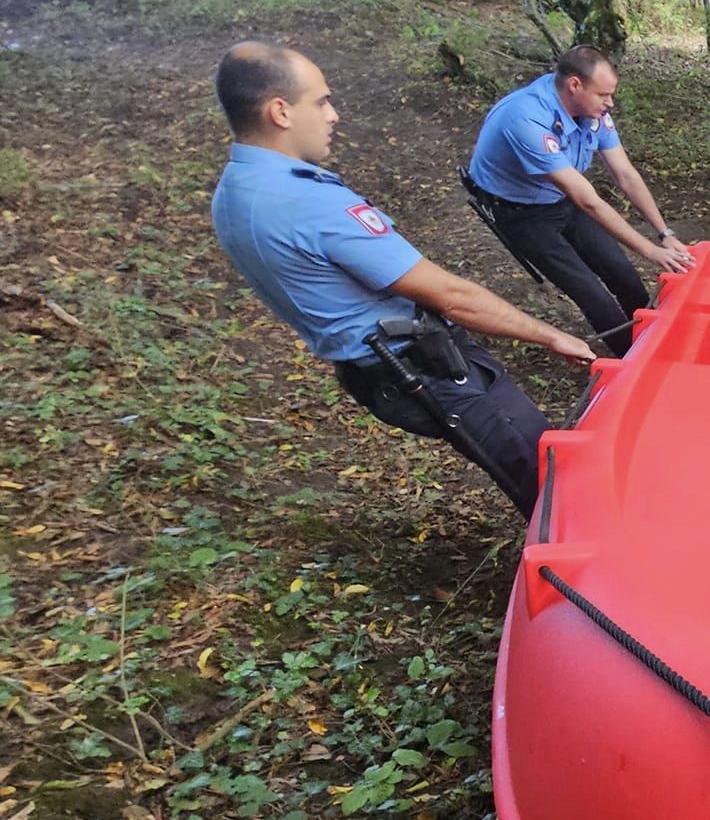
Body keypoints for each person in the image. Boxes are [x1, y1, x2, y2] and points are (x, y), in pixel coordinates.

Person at [211, 42, 595, 517]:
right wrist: (552, 336)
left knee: (527, 470)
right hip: (418, 365)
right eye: (322, 101)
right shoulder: (305, 202)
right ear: (280, 112)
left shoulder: (234, 190)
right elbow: (450, 295)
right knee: (550, 478)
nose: (333, 115)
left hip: (379, 371)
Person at [467, 45, 691, 356]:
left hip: (560, 199)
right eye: (603, 95)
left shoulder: (592, 111)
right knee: (591, 294)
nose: (610, 103)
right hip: (519, 212)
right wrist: (650, 251)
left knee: (621, 271)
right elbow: (588, 201)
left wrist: (663, 234)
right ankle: (637, 361)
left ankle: (660, 340)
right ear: (575, 85)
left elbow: (625, 174)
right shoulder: (526, 118)